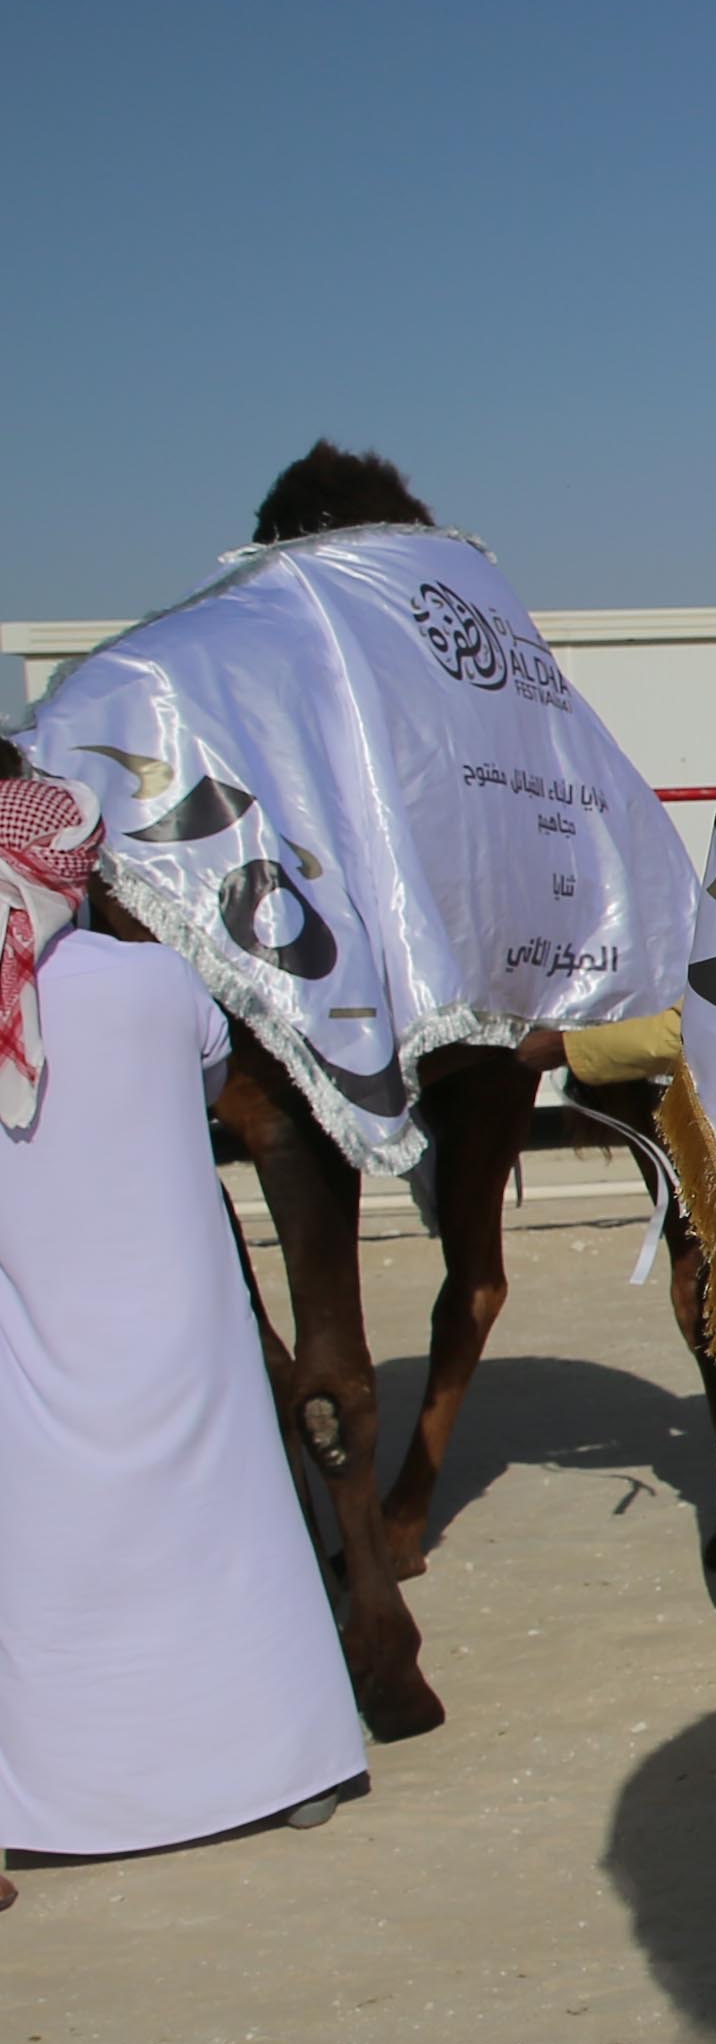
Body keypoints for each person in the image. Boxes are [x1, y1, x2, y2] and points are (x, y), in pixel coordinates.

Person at [0, 764, 367, 1895]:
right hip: (182, 1323)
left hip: (33, 1324)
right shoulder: (160, 981)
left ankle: (55, 1797)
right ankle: (278, 1764)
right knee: (229, 1534)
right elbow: (213, 1078)